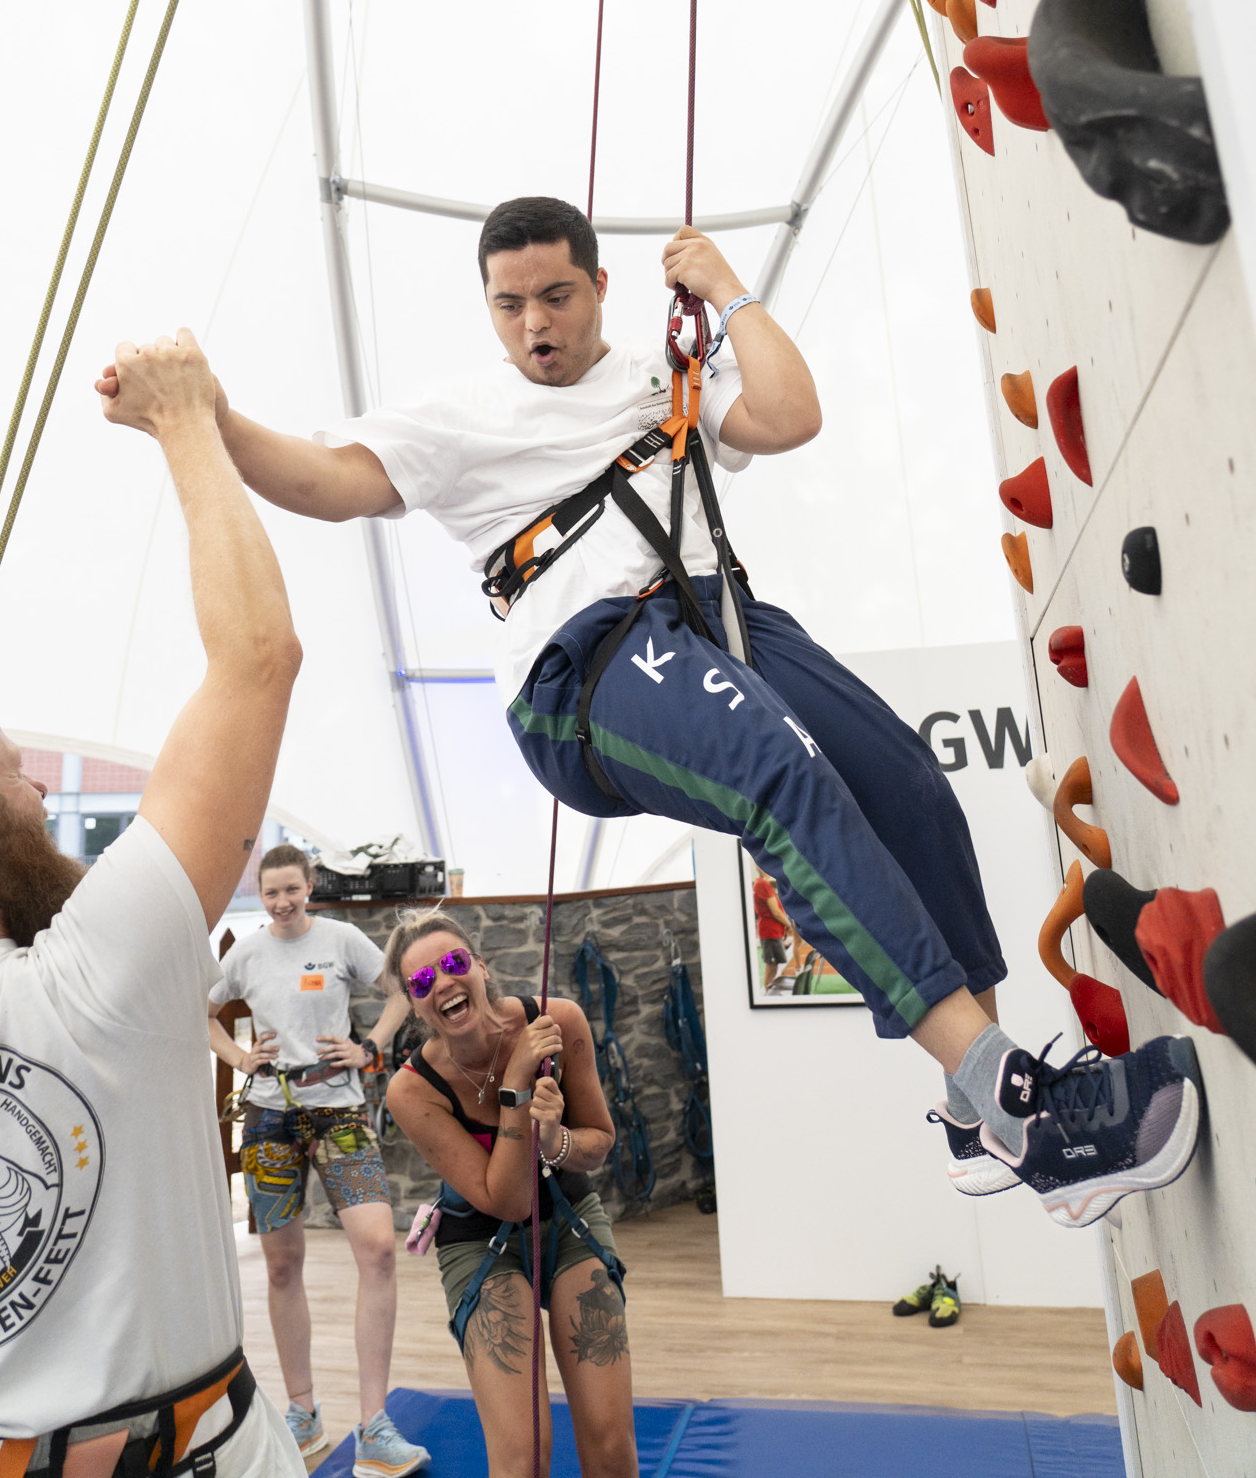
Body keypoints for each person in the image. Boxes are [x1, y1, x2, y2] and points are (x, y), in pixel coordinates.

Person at [210, 197, 1203, 1230]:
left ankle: (977, 1114)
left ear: (599, 286)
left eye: (555, 295)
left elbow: (788, 414)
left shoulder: (661, 369)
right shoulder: (464, 418)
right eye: (509, 306)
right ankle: (1021, 1106)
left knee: (906, 779)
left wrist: (726, 291)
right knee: (782, 777)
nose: (534, 324)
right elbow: (324, 482)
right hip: (588, 665)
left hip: (718, 617)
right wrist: (215, 420)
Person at [0, 329, 305, 1473]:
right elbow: (255, 657)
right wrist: (182, 415)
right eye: (13, 780)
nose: (39, 793)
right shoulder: (95, 968)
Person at [382, 911, 636, 1478]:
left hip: (568, 1216)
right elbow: (507, 1201)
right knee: (522, 1458)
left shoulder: (557, 1021)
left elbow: (599, 1143)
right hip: (480, 1238)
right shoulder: (411, 1090)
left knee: (610, 1444)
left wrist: (556, 1139)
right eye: (422, 983)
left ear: (480, 965)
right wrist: (516, 1088)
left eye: (452, 964)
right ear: (414, 1004)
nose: (442, 983)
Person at [208, 845, 426, 1477]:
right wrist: (239, 1056)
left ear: (310, 887)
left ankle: (375, 1426)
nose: (281, 902)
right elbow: (204, 1010)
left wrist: (371, 1046)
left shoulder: (342, 938)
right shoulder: (245, 952)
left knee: (380, 1249)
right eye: (270, 893)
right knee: (281, 1267)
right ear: (261, 893)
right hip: (270, 1119)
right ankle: (302, 1414)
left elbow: (403, 990)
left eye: (291, 890)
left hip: (340, 1114)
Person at [750, 868, 790, 991]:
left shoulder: (763, 884)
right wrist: (788, 924)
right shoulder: (762, 884)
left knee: (774, 966)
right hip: (769, 932)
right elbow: (776, 912)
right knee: (771, 966)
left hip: (773, 931)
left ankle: (769, 992)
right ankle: (768, 994)